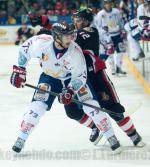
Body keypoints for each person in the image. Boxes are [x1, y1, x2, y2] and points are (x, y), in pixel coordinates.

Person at [28, 8, 145, 149]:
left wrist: (47, 28)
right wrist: (45, 23)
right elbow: (63, 34)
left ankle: (133, 135)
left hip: (95, 77)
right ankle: (95, 126)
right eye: (75, 21)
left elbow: (68, 36)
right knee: (72, 112)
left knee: (113, 108)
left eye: (77, 21)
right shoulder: (71, 34)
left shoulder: (91, 32)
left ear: (85, 21)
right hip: (75, 78)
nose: (75, 24)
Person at [10, 22, 121, 154]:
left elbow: (80, 76)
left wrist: (70, 91)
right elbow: (24, 49)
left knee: (91, 106)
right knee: (36, 108)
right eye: (67, 36)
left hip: (71, 79)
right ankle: (21, 138)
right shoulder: (41, 43)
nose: (71, 38)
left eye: (71, 35)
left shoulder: (75, 51)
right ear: (57, 37)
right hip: (49, 78)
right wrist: (20, 69)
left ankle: (111, 136)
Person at [95, 0, 127, 76]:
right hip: (107, 36)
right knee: (110, 52)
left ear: (112, 4)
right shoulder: (100, 14)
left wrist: (123, 30)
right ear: (104, 4)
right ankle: (112, 69)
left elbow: (121, 21)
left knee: (120, 51)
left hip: (117, 34)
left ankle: (119, 68)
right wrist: (102, 35)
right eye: (106, 3)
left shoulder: (116, 11)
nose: (108, 5)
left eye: (109, 3)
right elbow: (98, 26)